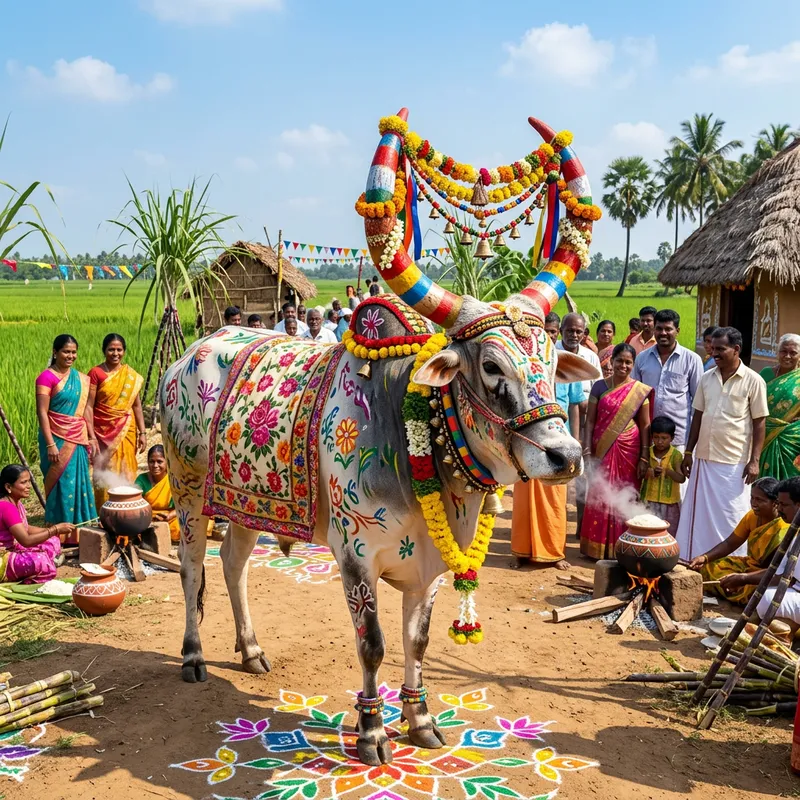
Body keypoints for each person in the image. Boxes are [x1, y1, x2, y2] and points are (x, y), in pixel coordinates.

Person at [676, 327, 769, 560]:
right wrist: (688, 451)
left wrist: (754, 461)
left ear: (736, 350)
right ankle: (693, 560)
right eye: (712, 348)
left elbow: (759, 423)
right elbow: (697, 416)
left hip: (735, 462)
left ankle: (730, 565)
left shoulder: (754, 381)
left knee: (732, 515)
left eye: (720, 349)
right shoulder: (707, 378)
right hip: (704, 458)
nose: (713, 353)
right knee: (699, 517)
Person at [511, 313, 583, 571]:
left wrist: (574, 436)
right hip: (530, 438)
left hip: (559, 439)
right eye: (548, 332)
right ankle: (522, 551)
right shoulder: (524, 362)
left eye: (553, 332)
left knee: (554, 497)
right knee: (524, 497)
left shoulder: (564, 364)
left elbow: (575, 405)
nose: (551, 336)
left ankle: (554, 553)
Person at [580, 343, 652, 560]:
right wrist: (586, 450)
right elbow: (590, 421)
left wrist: (644, 456)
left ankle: (623, 546)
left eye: (628, 362)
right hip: (601, 447)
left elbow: (646, 425)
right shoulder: (599, 387)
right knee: (601, 492)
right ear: (611, 362)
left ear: (633, 364)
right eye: (619, 360)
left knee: (626, 494)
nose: (623, 365)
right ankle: (596, 548)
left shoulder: (639, 390)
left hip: (629, 450)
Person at [689, 477, 786, 604]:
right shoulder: (751, 516)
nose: (754, 503)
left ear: (775, 503)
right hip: (748, 565)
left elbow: (776, 570)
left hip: (765, 574)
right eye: (752, 498)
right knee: (709, 568)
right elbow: (730, 543)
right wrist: (704, 558)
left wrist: (743, 578)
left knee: (757, 593)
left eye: (759, 500)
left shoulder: (784, 528)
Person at [36, 334, 97, 529]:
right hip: (55, 437)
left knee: (79, 480)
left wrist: (92, 436)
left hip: (78, 436)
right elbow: (42, 413)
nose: (70, 356)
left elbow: (86, 410)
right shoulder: (46, 378)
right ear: (55, 352)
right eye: (66, 352)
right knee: (61, 483)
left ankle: (82, 526)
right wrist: (50, 444)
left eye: (73, 352)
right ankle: (59, 529)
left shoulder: (81, 379)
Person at [88, 334, 146, 509]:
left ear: (124, 351)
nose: (115, 353)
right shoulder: (96, 373)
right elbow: (89, 406)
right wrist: (90, 435)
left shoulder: (130, 376)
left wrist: (143, 432)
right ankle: (104, 511)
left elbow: (136, 406)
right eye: (111, 349)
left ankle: (127, 508)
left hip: (127, 428)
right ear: (104, 350)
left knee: (127, 469)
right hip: (102, 431)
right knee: (105, 470)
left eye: (119, 349)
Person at [632, 310, 703, 451]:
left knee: (676, 473)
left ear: (677, 331)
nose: (663, 333)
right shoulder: (642, 358)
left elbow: (698, 403)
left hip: (678, 439)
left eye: (668, 329)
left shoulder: (692, 360)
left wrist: (691, 447)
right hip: (648, 436)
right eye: (659, 328)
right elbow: (635, 397)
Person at [557, 312, 602, 531]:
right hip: (558, 424)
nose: (574, 335)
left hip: (585, 422)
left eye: (578, 331)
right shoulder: (551, 352)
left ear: (584, 334)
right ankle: (557, 525)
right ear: (560, 331)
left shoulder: (590, 356)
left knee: (582, 476)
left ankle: (581, 528)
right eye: (569, 330)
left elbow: (597, 388)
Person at [0, 465, 74, 583]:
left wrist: (55, 531)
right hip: (2, 558)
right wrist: (55, 529)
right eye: (24, 482)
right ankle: (26, 578)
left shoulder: (15, 503)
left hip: (14, 547)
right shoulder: (6, 507)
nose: (29, 486)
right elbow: (26, 540)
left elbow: (24, 528)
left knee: (53, 541)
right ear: (8, 487)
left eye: (29, 481)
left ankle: (39, 567)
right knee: (40, 562)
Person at [755, 478, 800, 634]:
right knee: (764, 597)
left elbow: (788, 579)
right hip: (795, 591)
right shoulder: (795, 533)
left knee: (765, 600)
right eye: (778, 503)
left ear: (799, 506)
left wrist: (742, 579)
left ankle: (784, 633)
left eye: (784, 505)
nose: (779, 509)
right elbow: (780, 575)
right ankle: (785, 632)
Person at [759, 333, 800, 480]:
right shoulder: (766, 374)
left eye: (793, 353)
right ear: (777, 352)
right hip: (761, 435)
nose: (787, 356)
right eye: (783, 351)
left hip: (790, 440)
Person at [640, 416, 685, 534]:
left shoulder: (676, 455)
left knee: (669, 532)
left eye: (664, 438)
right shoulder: (648, 453)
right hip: (649, 501)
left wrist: (668, 471)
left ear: (672, 438)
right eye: (656, 437)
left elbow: (681, 478)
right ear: (652, 437)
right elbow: (639, 474)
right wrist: (651, 472)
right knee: (649, 531)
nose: (660, 441)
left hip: (670, 503)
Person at [135, 445, 179, 543]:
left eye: (159, 461)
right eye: (152, 461)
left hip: (169, 517)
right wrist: (149, 517)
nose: (155, 465)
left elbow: (184, 506)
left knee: (182, 526)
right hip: (146, 517)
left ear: (167, 461)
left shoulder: (174, 480)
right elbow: (135, 503)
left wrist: (169, 516)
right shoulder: (141, 479)